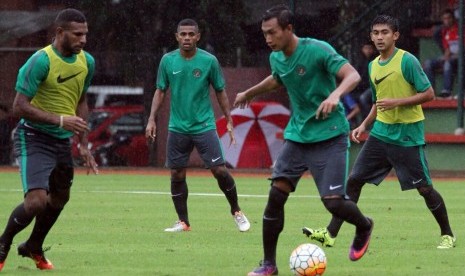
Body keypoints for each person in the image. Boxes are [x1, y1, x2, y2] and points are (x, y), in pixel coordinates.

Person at [234, 5, 374, 275]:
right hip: (298, 137)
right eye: (264, 33)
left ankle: (364, 225)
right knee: (276, 195)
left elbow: (353, 75)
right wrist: (249, 92)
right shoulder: (276, 57)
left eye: (272, 32)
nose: (268, 38)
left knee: (333, 202)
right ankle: (269, 265)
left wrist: (335, 95)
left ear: (289, 29)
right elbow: (277, 79)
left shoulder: (317, 49)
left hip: (330, 135)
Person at [303, 14, 456, 251]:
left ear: (395, 35)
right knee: (354, 180)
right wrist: (363, 125)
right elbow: (378, 102)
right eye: (375, 33)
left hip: (406, 136)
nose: (379, 37)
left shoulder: (408, 61)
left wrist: (399, 102)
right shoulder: (373, 65)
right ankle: (330, 234)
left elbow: (429, 94)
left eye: (385, 32)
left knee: (424, 188)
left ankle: (447, 234)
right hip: (380, 134)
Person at [0, 8, 98, 272]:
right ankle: (3, 244)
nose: (83, 40)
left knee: (60, 198)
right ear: (59, 33)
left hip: (61, 142)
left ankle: (33, 245)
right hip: (33, 136)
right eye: (77, 34)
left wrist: (84, 143)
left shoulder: (87, 62)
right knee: (36, 202)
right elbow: (18, 107)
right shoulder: (40, 61)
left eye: (85, 34)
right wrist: (60, 120)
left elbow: (81, 101)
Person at [145, 18, 250, 233]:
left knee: (219, 170)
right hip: (178, 127)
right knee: (176, 173)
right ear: (176, 37)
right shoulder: (167, 61)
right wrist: (151, 119)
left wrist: (229, 119)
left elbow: (220, 90)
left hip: (204, 126)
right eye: (182, 34)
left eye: (191, 34)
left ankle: (237, 211)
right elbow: (160, 90)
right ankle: (183, 222)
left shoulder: (209, 61)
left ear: (198, 37)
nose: (186, 38)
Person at [423, 9, 461, 98]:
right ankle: (430, 92)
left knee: (447, 63)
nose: (447, 21)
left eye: (448, 18)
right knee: (428, 63)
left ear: (453, 19)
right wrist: (445, 56)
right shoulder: (444, 31)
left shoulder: (460, 30)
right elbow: (447, 48)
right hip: (450, 57)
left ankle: (446, 91)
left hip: (460, 58)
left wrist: (453, 56)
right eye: (444, 19)